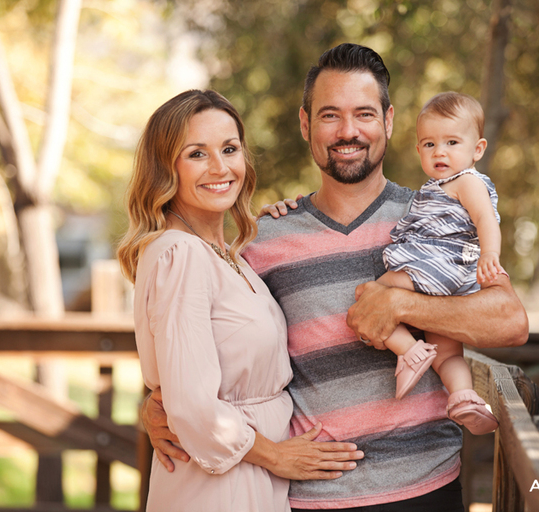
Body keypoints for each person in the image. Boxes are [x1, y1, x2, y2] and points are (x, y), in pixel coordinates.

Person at [142, 45, 528, 511]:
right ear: (306, 125)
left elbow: (510, 321)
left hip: (427, 490)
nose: (348, 131)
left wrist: (402, 304)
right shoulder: (261, 241)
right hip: (310, 496)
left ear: (388, 121)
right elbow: (208, 346)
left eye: (364, 114)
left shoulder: (439, 217)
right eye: (330, 115)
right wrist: (159, 405)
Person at [118, 89, 363, 512]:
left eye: (229, 149)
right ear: (165, 167)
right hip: (220, 484)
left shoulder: (229, 256)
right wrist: (277, 456)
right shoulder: (180, 254)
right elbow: (191, 404)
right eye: (197, 154)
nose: (220, 167)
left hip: (251, 475)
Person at [374, 92, 502, 437]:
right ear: (418, 150)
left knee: (370, 295)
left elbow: (486, 219)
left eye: (451, 142)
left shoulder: (467, 181)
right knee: (448, 354)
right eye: (429, 144)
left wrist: (490, 254)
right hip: (454, 279)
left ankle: (410, 351)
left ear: (477, 149)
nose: (439, 152)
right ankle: (463, 397)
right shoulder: (440, 186)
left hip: (437, 267)